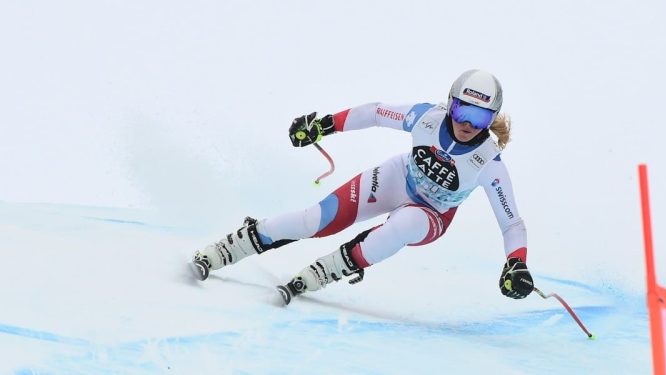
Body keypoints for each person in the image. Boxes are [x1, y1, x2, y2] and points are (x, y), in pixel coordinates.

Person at [191, 69, 534, 304]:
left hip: (432, 215)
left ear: (492, 120)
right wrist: (324, 126)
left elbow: (512, 223)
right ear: (450, 103)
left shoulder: (489, 162)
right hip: (398, 178)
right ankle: (233, 245)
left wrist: (516, 263)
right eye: (461, 111)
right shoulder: (427, 116)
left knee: (404, 224)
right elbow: (376, 112)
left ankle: (335, 268)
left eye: (480, 119)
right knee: (314, 221)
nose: (466, 125)